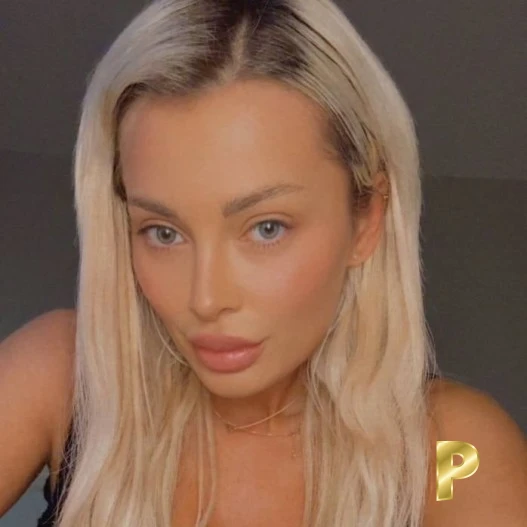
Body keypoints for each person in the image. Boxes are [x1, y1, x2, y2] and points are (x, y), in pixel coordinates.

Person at [1, 0, 526, 526]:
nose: (206, 299)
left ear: (367, 219)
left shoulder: (453, 452)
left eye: (266, 228)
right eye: (164, 233)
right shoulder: (66, 377)